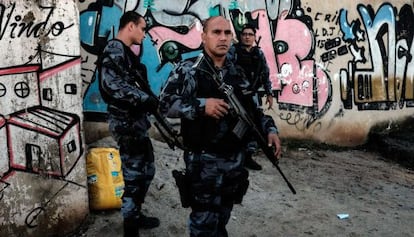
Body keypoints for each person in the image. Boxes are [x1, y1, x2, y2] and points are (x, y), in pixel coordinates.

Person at [159, 16, 282, 237]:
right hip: (203, 162)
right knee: (203, 224)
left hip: (234, 161)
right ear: (203, 36)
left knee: (223, 218)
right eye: (216, 32)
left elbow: (254, 111)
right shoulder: (188, 70)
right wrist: (201, 105)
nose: (223, 38)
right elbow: (165, 105)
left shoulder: (238, 73)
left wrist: (270, 130)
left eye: (227, 33)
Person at [99, 11, 159, 237]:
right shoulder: (114, 50)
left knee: (147, 170)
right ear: (131, 26)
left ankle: (135, 213)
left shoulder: (126, 54)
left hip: (136, 123)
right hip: (126, 124)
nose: (144, 34)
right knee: (134, 176)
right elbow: (111, 85)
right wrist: (144, 99)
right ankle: (130, 227)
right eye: (142, 28)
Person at [228, 24, 274, 170]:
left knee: (253, 124)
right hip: (235, 96)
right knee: (234, 125)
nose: (247, 37)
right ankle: (233, 155)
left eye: (250, 34)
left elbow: (265, 73)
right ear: (240, 37)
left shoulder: (258, 54)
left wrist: (269, 93)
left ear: (254, 37)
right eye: (244, 34)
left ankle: (248, 155)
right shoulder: (233, 52)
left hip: (252, 95)